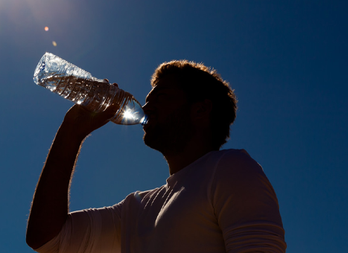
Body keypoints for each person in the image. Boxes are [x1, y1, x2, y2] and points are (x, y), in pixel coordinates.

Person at [26, 60, 287, 253]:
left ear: (200, 110)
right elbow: (47, 238)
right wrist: (71, 132)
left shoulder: (230, 168)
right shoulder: (134, 209)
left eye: (161, 97)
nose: (146, 107)